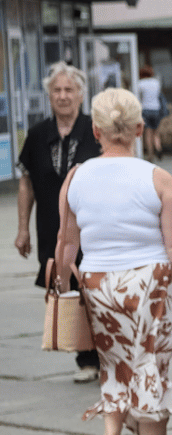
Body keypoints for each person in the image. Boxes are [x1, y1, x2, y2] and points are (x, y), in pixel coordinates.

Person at [53, 88, 172, 435]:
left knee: (115, 366)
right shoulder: (156, 177)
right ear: (139, 128)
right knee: (150, 370)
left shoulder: (76, 176)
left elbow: (67, 243)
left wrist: (65, 288)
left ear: (96, 131)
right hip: (149, 284)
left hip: (97, 283)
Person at [15, 62, 102, 382]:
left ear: (81, 95)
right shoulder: (38, 135)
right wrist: (23, 228)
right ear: (49, 96)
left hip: (92, 229)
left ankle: (103, 353)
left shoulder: (96, 130)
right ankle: (86, 358)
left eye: (69, 90)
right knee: (67, 292)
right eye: (57, 90)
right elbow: (26, 182)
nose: (63, 96)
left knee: (93, 290)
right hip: (51, 228)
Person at [136, 65, 165, 161]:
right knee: (155, 132)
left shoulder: (140, 83)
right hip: (156, 109)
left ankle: (150, 154)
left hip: (145, 109)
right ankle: (158, 148)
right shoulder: (156, 82)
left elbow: (138, 97)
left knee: (148, 133)